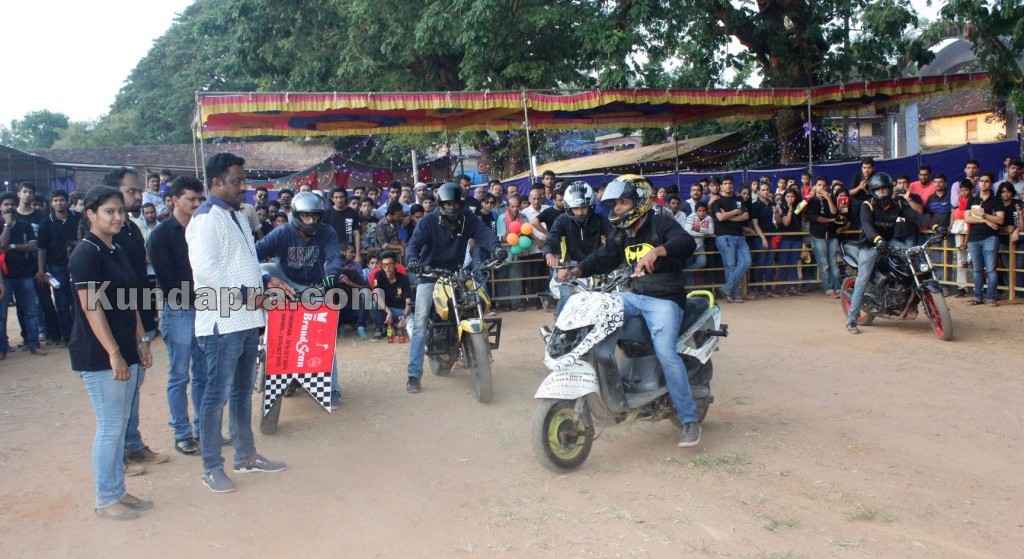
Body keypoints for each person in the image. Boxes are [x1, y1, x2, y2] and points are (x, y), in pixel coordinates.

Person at [557, 174, 701, 448]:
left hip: (665, 299)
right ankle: (611, 390)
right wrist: (576, 270)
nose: (617, 209)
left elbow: (686, 243)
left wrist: (658, 251)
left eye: (622, 202)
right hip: (634, 296)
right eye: (614, 205)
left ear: (639, 201)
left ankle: (689, 419)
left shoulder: (661, 223)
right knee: (596, 319)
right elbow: (604, 256)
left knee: (666, 352)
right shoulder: (622, 233)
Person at [188, 153, 292, 493]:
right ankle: (210, 467)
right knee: (215, 397)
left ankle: (245, 456)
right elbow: (207, 272)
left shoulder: (238, 216)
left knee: (242, 392)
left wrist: (265, 282)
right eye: (237, 181)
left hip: (247, 319)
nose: (244, 187)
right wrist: (250, 293)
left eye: (244, 180)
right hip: (221, 322)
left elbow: (242, 264)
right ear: (216, 183)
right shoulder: (205, 219)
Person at [68, 186, 154, 520]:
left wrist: (141, 340)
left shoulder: (114, 249)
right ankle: (106, 498)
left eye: (120, 210)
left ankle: (118, 490)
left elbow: (129, 300)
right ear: (91, 214)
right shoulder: (86, 254)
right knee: (109, 427)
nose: (117, 217)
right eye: (109, 211)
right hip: (99, 354)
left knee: (119, 424)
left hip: (125, 347)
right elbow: (92, 309)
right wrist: (115, 353)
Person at [404, 182, 505, 393]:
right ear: (441, 204)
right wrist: (413, 260)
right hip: (431, 275)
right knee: (421, 321)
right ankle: (414, 375)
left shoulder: (469, 219)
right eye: (447, 204)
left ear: (462, 204)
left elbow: (484, 233)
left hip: (459, 273)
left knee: (477, 303)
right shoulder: (428, 221)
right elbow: (413, 245)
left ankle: (476, 350)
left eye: (455, 204)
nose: (451, 208)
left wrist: (496, 248)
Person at [103, 168, 166, 471]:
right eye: (131, 191)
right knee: (119, 390)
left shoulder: (133, 228)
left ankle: (133, 444)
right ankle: (119, 456)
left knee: (135, 384)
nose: (139, 196)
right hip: (119, 322)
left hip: (141, 315)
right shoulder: (104, 235)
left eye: (139, 191)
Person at [255, 191, 344, 403]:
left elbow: (333, 257)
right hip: (284, 282)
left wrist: (332, 276)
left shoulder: (327, 232)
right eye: (306, 216)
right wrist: (265, 277)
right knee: (279, 329)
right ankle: (263, 344)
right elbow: (255, 252)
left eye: (315, 216)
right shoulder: (282, 233)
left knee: (323, 334)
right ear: (295, 214)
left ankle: (332, 388)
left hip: (315, 285)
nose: (311, 221)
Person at [146, 176, 209, 456]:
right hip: (179, 310)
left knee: (204, 373)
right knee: (179, 374)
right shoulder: (160, 235)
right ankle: (182, 432)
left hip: (206, 308)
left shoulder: (204, 229)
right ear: (173, 200)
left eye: (199, 199)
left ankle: (203, 428)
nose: (196, 203)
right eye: (190, 199)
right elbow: (168, 280)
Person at [845, 173, 942, 333]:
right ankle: (852, 320)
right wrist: (877, 240)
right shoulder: (867, 205)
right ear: (873, 191)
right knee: (862, 280)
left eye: (885, 189)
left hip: (889, 242)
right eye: (879, 190)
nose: (883, 193)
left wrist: (936, 227)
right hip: (870, 245)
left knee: (913, 256)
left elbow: (916, 216)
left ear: (890, 190)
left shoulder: (898, 203)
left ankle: (907, 294)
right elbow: (867, 225)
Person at [541, 181, 612, 316]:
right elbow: (551, 239)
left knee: (609, 298)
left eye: (584, 207)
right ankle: (560, 331)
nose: (580, 212)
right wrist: (548, 253)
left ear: (591, 205)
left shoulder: (600, 219)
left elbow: (614, 237)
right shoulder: (562, 220)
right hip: (568, 269)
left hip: (595, 267)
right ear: (568, 207)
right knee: (568, 297)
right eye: (575, 208)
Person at [0, 192, 45, 358]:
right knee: (1, 314)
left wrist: (11, 246)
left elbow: (33, 246)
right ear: (0, 207)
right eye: (5, 204)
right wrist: (6, 225)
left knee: (30, 311)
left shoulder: (25, 225)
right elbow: (1, 245)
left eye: (12, 204)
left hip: (24, 274)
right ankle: (2, 348)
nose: (9, 207)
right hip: (4, 277)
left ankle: (33, 344)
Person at [35, 189, 81, 346]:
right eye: (55, 200)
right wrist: (41, 270)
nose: (59, 203)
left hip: (77, 265)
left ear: (67, 201)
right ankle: (68, 337)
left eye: (61, 200)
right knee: (62, 304)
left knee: (80, 302)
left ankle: (81, 334)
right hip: (56, 267)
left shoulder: (78, 218)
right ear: (51, 203)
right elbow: (42, 248)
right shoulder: (46, 223)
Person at [711, 176, 751, 303]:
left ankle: (727, 288)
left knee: (747, 262)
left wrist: (728, 216)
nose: (728, 185)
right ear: (721, 186)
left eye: (730, 183)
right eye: (725, 183)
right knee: (731, 266)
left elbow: (746, 216)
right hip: (724, 236)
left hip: (739, 235)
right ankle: (734, 294)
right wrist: (735, 211)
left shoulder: (738, 199)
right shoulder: (717, 201)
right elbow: (720, 218)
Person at [804, 178, 841, 299]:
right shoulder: (811, 201)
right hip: (818, 236)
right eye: (819, 185)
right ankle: (829, 289)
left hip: (832, 235)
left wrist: (829, 198)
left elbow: (835, 213)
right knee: (824, 264)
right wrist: (830, 220)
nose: (822, 188)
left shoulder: (831, 199)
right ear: (815, 186)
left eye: (824, 185)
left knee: (834, 263)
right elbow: (814, 218)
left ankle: (838, 288)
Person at [368, 250, 413, 340]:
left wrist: (404, 317)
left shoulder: (404, 279)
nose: (387, 267)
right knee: (372, 305)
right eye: (384, 265)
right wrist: (388, 311)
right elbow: (376, 294)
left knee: (413, 323)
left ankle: (397, 325)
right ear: (381, 266)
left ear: (395, 264)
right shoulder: (378, 275)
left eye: (390, 264)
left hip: (401, 311)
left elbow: (408, 301)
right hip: (386, 310)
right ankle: (380, 329)